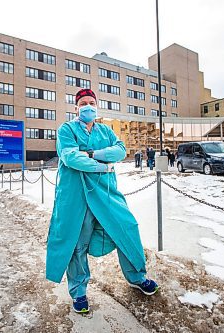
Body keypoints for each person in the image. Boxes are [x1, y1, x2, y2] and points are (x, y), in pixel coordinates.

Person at [46, 89, 159, 314]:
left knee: (126, 228)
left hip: (105, 191)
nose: (88, 106)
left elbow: (120, 151)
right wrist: (101, 166)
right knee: (77, 243)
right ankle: (78, 292)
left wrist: (92, 154)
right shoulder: (66, 129)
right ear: (76, 108)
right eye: (83, 103)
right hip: (75, 194)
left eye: (91, 103)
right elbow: (70, 157)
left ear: (96, 106)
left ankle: (137, 276)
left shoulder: (105, 131)